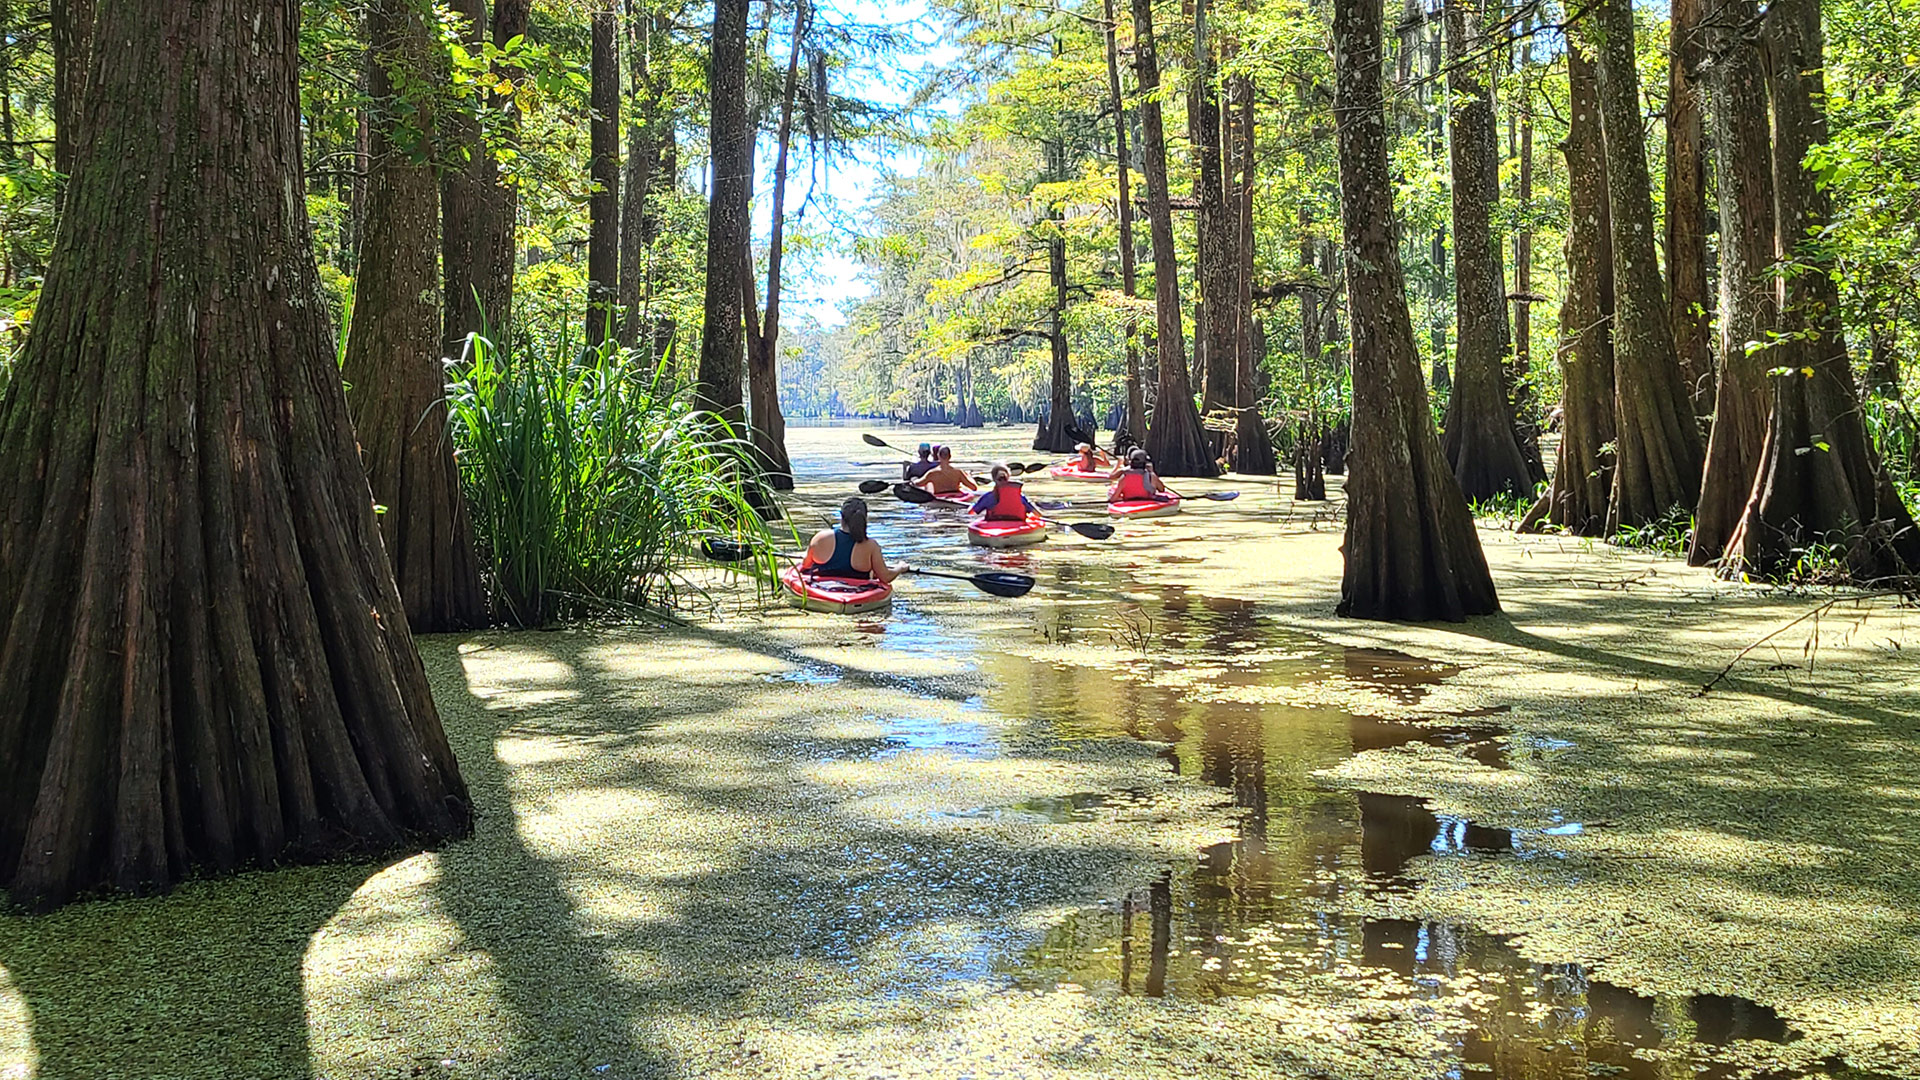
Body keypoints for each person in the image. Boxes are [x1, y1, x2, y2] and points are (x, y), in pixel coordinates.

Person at [801, 497, 904, 583]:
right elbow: (886, 577)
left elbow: (805, 565)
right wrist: (900, 568)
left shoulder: (820, 537)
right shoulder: (871, 545)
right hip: (857, 592)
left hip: (824, 589)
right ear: (864, 518)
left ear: (841, 517)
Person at [972, 463, 1037, 521]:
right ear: (1008, 477)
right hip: (1017, 525)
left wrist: (972, 505)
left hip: (994, 524)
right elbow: (1038, 514)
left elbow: (972, 512)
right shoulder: (1020, 497)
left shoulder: (988, 497)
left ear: (993, 479)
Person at [913, 445, 978, 495]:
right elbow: (973, 488)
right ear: (950, 456)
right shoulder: (958, 472)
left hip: (940, 496)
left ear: (938, 456)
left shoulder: (932, 473)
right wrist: (969, 476)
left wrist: (913, 480)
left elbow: (918, 484)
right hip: (956, 495)